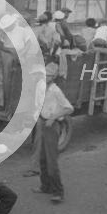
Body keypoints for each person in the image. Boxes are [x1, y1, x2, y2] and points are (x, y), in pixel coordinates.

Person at [32, 62, 73, 203]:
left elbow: (69, 109)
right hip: (42, 123)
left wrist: (53, 117)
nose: (45, 77)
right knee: (42, 158)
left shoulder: (55, 90)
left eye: (48, 75)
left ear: (53, 77)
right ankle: (45, 186)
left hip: (52, 126)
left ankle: (58, 192)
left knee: (51, 161)